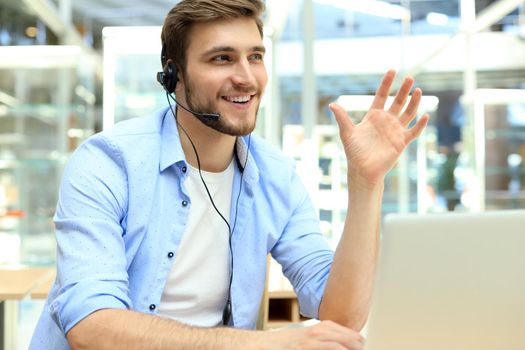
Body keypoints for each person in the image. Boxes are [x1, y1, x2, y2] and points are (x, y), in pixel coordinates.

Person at [30, 0, 429, 349]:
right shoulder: (108, 163)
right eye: (222, 58)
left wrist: (366, 183)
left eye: (255, 56)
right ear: (174, 76)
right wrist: (263, 345)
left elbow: (339, 317)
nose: (247, 76)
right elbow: (92, 329)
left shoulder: (275, 175)